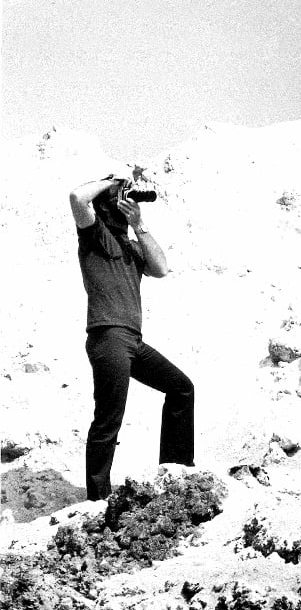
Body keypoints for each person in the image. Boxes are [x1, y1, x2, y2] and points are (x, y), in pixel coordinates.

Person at [69, 174, 194, 500]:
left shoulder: (130, 246)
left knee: (181, 389)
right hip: (108, 337)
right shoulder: (95, 236)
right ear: (106, 207)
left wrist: (139, 224)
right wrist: (112, 180)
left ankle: (176, 471)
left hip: (132, 341)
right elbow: (77, 197)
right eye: (121, 200)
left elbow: (161, 268)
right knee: (108, 419)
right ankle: (97, 499)